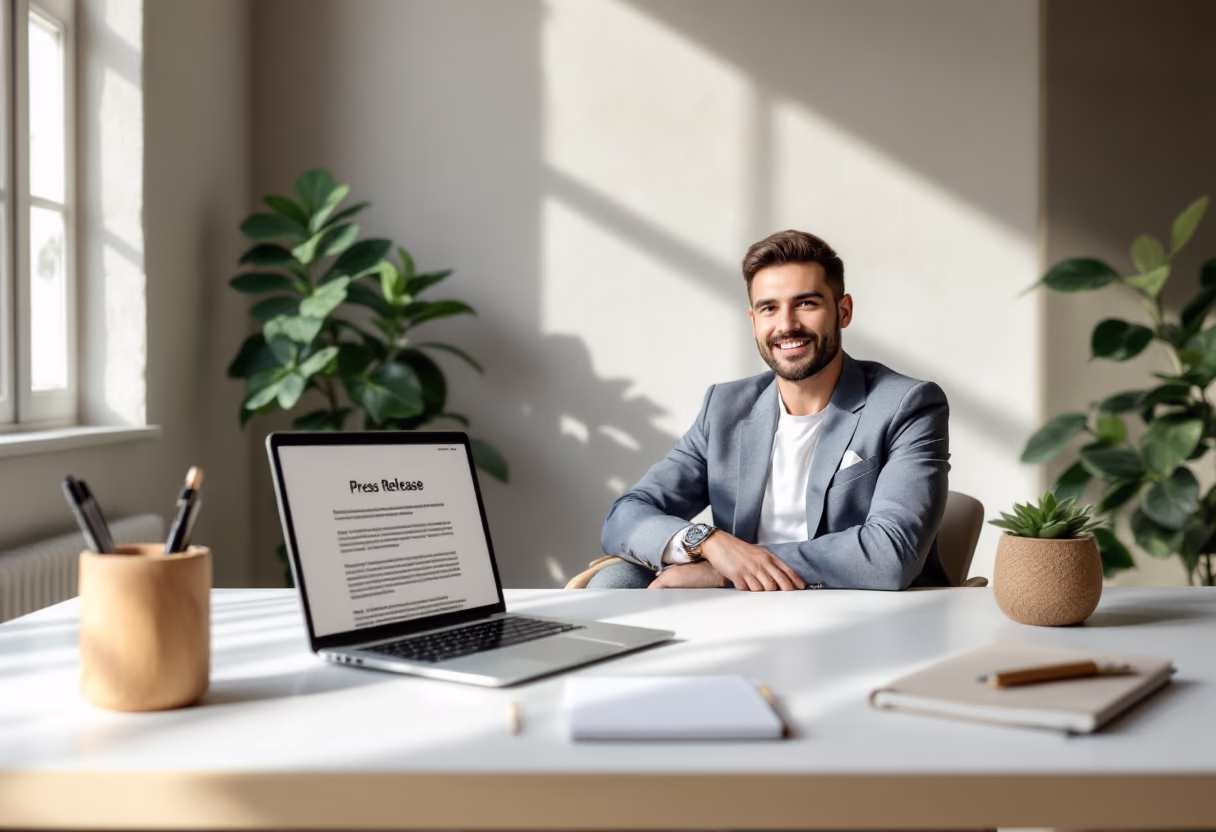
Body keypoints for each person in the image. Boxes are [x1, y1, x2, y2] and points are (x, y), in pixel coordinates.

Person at [596, 230, 951, 591]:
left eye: (806, 303)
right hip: (743, 612)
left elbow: (892, 554)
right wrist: (709, 542)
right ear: (754, 321)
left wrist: (729, 571)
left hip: (859, 611)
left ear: (843, 312)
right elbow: (625, 516)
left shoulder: (907, 404)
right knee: (615, 581)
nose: (786, 325)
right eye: (769, 308)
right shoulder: (724, 408)